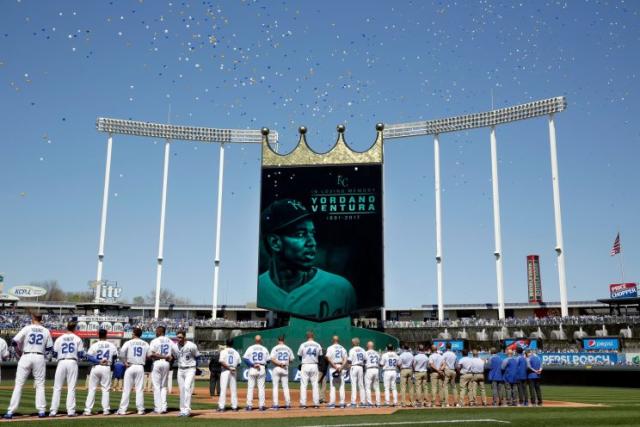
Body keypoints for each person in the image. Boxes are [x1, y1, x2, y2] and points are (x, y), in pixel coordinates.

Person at [258, 199, 357, 320]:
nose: (312, 243)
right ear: (275, 242)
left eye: (312, 233)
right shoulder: (258, 289)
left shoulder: (341, 289)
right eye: (300, 234)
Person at [4, 313, 53, 419]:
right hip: (39, 356)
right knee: (40, 384)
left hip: (26, 356)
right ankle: (41, 411)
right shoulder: (46, 330)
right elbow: (49, 348)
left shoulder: (27, 328)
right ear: (41, 319)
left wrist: (19, 352)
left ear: (32, 319)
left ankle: (10, 411)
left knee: (19, 384)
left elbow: (14, 342)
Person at [49, 321, 84, 417]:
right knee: (71, 388)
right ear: (74, 328)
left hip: (61, 362)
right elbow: (81, 355)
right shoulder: (77, 338)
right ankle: (71, 411)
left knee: (57, 388)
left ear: (67, 327)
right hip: (72, 362)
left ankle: (53, 411)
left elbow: (54, 354)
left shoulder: (59, 338)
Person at [83, 329, 118, 416]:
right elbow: (115, 357)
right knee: (105, 389)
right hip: (106, 367)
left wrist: (98, 361)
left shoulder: (94, 345)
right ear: (106, 335)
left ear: (98, 335)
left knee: (92, 389)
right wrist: (111, 367)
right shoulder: (111, 345)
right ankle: (106, 410)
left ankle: (88, 410)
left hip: (96, 367)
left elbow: (88, 357)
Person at [117, 327, 149, 415]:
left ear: (134, 334)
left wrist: (124, 362)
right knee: (139, 389)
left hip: (130, 366)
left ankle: (122, 410)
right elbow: (149, 354)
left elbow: (121, 353)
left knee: (126, 389)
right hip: (140, 367)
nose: (131, 334)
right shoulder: (145, 343)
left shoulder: (128, 342)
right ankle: (141, 410)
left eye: (132, 333)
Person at [149, 326, 178, 414]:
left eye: (156, 331)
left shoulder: (155, 340)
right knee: (164, 386)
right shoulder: (170, 340)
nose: (155, 332)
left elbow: (151, 354)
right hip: (166, 363)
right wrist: (170, 357)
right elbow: (176, 353)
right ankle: (164, 407)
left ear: (160, 331)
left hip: (157, 362)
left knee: (157, 386)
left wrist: (164, 356)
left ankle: (158, 408)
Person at [175, 330, 200, 417]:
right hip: (180, 370)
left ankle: (187, 410)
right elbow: (174, 356)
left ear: (185, 337)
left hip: (190, 369)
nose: (179, 339)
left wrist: (196, 368)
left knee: (186, 388)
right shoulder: (175, 346)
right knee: (181, 390)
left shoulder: (191, 345)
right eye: (178, 337)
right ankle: (182, 410)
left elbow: (197, 356)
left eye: (181, 337)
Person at [243, 335, 270, 411]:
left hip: (253, 368)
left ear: (255, 340)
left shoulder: (250, 348)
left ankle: (249, 406)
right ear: (261, 340)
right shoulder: (264, 349)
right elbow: (268, 360)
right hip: (261, 367)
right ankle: (261, 406)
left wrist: (252, 364)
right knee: (261, 388)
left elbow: (245, 359)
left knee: (250, 387)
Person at [297, 331, 323, 408]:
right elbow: (320, 356)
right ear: (313, 336)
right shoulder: (317, 345)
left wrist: (303, 361)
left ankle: (303, 404)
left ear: (307, 336)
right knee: (315, 385)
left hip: (305, 365)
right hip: (314, 365)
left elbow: (299, 356)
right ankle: (316, 404)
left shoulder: (303, 344)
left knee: (303, 385)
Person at [270, 335, 294, 410]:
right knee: (285, 387)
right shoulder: (288, 348)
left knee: (275, 387)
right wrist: (286, 362)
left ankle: (276, 405)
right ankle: (288, 404)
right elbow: (292, 359)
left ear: (278, 340)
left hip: (277, 367)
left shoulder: (275, 348)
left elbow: (272, 359)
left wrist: (279, 363)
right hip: (285, 368)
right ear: (284, 340)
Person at [217, 339, 241, 412]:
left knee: (223, 389)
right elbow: (239, 363)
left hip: (225, 371)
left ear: (226, 344)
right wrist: (233, 368)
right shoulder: (236, 352)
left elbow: (221, 361)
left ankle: (221, 407)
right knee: (233, 390)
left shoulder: (223, 351)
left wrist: (229, 368)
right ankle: (234, 406)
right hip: (233, 371)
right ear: (232, 344)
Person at [325, 335, 348, 408]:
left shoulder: (330, 348)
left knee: (333, 386)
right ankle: (342, 403)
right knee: (341, 386)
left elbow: (328, 358)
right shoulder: (342, 348)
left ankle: (332, 404)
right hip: (341, 367)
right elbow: (345, 359)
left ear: (333, 340)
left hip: (333, 367)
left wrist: (335, 367)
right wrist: (341, 367)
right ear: (338, 340)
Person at [347, 337, 366, 407]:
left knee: (354, 385)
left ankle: (353, 402)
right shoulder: (363, 350)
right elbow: (365, 360)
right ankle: (363, 402)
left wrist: (349, 367)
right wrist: (362, 366)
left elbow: (349, 360)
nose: (351, 343)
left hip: (354, 366)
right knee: (361, 385)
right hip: (360, 367)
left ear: (354, 342)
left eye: (352, 342)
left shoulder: (352, 350)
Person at [364, 341, 381, 407]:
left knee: (368, 387)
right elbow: (379, 362)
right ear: (373, 346)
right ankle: (378, 403)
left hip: (369, 369)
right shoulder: (377, 353)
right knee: (376, 387)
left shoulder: (366, 353)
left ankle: (369, 403)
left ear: (368, 346)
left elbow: (364, 361)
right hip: (376, 369)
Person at [441, 343, 459, 407]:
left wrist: (441, 369)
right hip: (453, 370)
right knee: (454, 387)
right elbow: (456, 365)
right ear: (451, 347)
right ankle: (456, 403)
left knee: (445, 387)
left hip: (447, 370)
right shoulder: (454, 354)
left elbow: (442, 363)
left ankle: (447, 403)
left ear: (446, 347)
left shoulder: (444, 354)